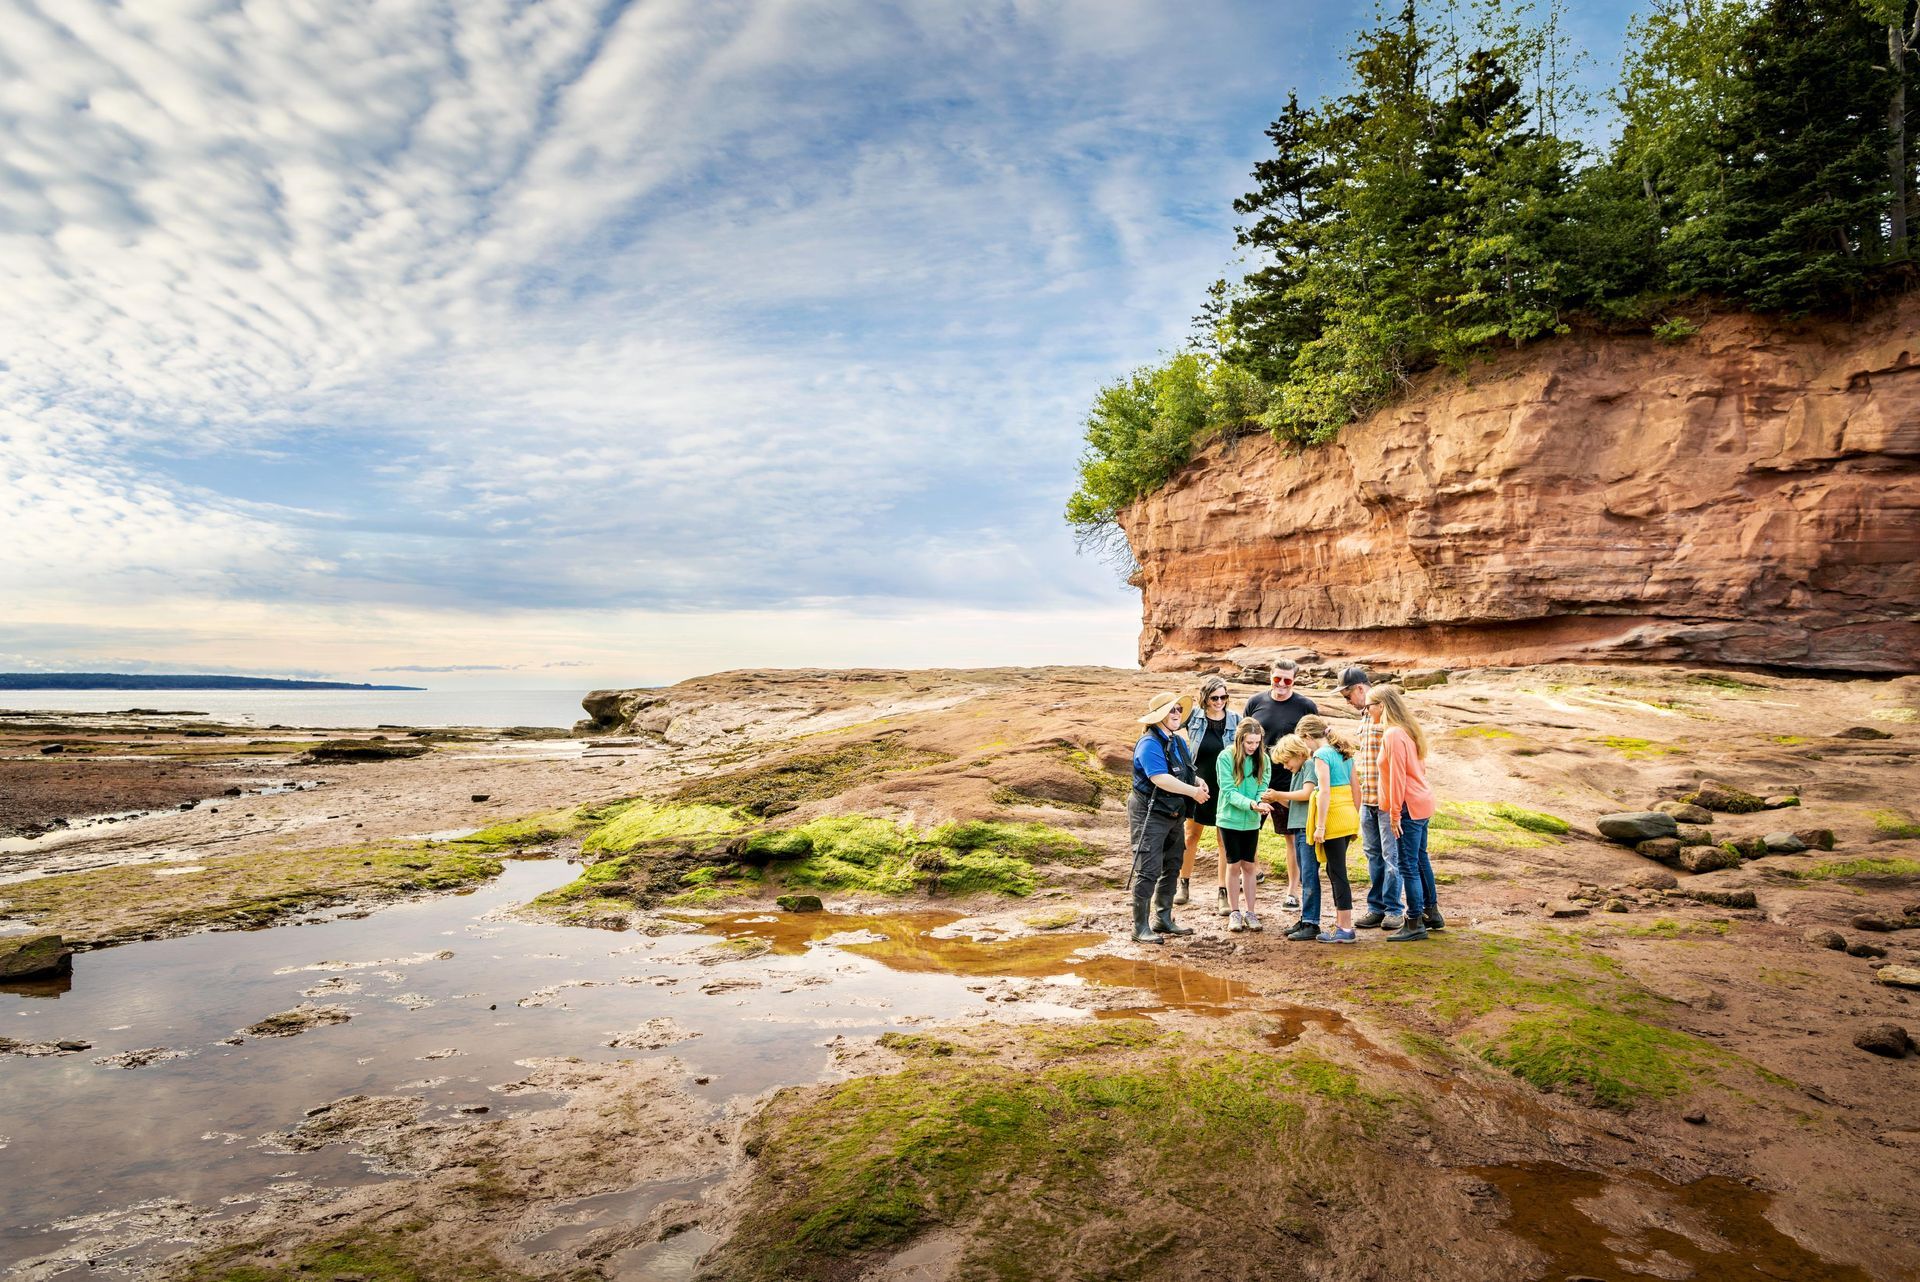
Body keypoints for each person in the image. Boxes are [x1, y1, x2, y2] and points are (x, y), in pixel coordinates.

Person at [1128, 691, 1209, 944]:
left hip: (1174, 812)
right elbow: (1159, 778)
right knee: (1148, 869)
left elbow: (1184, 772)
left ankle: (1163, 919)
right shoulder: (1149, 743)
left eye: (1178, 710)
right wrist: (1193, 792)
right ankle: (1140, 927)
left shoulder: (1178, 741)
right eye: (1171, 711)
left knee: (1172, 865)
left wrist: (1197, 780)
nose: (1177, 714)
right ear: (1159, 717)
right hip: (1149, 812)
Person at [1243, 658, 1318, 914]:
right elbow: (1244, 738)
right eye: (1278, 679)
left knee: (1292, 838)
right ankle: (1254, 872)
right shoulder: (1255, 702)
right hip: (1257, 778)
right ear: (1270, 677)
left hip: (1291, 782)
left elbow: (1312, 741)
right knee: (1248, 832)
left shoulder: (1306, 705)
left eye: (1288, 680)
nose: (1282, 684)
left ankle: (1292, 892)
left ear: (1294, 680)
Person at [1369, 685, 1440, 941]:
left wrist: (1395, 814)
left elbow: (1397, 777)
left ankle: (1415, 922)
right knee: (1420, 859)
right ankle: (1431, 912)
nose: (1367, 711)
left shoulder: (1393, 734)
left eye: (1370, 706)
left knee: (1407, 865)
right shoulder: (1409, 730)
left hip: (1409, 806)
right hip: (1422, 802)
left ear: (1382, 706)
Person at [1340, 665, 1404, 930]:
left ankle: (1394, 909)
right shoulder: (1366, 716)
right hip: (1368, 798)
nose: (1347, 702)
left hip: (1386, 800)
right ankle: (1376, 907)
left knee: (1391, 857)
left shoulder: (1387, 713)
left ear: (1359, 689)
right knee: (1373, 855)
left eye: (1347, 696)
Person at [1176, 675, 1239, 908]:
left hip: (1226, 785)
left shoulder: (1235, 719)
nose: (1220, 701)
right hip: (1197, 783)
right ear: (1205, 698)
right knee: (1191, 836)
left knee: (1224, 840)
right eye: (1215, 697)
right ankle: (1184, 884)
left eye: (1224, 697)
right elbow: (1170, 724)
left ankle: (1222, 891)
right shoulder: (1194, 718)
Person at [1213, 717, 1271, 932]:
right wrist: (1252, 804)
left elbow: (1262, 786)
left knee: (1249, 866)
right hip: (1229, 819)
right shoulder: (1225, 757)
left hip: (1252, 821)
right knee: (1233, 865)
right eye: (1249, 743)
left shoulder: (1263, 758)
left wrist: (1260, 802)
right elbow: (1228, 792)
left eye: (1257, 743)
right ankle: (1235, 912)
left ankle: (1251, 912)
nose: (1253, 747)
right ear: (1239, 740)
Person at [1265, 734, 1321, 941]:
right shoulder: (1299, 769)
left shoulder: (1309, 766)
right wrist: (1276, 797)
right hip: (1297, 826)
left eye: (1287, 762)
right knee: (1305, 874)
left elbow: (1306, 794)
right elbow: (1295, 802)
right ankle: (1306, 918)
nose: (1286, 767)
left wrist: (1279, 794)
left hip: (1306, 828)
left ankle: (1312, 922)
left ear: (1297, 754)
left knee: (1308, 875)